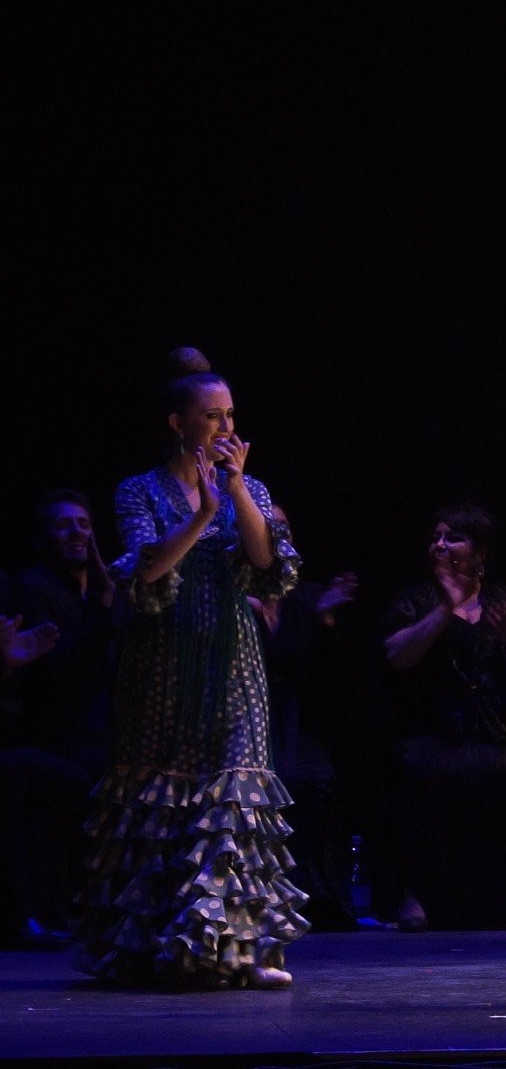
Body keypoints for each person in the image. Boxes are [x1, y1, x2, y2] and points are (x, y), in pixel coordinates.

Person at [72, 347, 306, 989]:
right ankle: (151, 944)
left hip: (232, 658)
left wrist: (230, 490)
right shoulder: (138, 490)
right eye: (212, 416)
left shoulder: (249, 487)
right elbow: (144, 570)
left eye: (231, 415)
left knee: (233, 793)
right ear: (179, 423)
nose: (226, 428)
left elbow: (265, 564)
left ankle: (238, 949)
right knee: (162, 795)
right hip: (163, 662)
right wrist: (202, 511)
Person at [382, 501, 506, 933]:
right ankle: (416, 896)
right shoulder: (418, 600)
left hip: (502, 731)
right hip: (436, 733)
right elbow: (396, 656)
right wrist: (445, 610)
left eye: (453, 537)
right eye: (436, 537)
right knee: (415, 769)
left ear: (480, 554)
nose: (440, 545)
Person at [2, 491, 117, 948]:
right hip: (56, 736)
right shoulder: (34, 587)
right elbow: (57, 670)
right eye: (63, 525)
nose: (77, 533)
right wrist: (103, 616)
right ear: (42, 537)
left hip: (98, 731)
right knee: (71, 784)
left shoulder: (100, 587)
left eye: (84, 525)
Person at [252, 504, 361, 930]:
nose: (280, 533)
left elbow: (331, 677)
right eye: (270, 525)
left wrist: (327, 620)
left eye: (286, 526)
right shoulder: (232, 595)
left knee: (314, 779)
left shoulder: (307, 596)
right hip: (248, 712)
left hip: (294, 717)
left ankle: (311, 895)